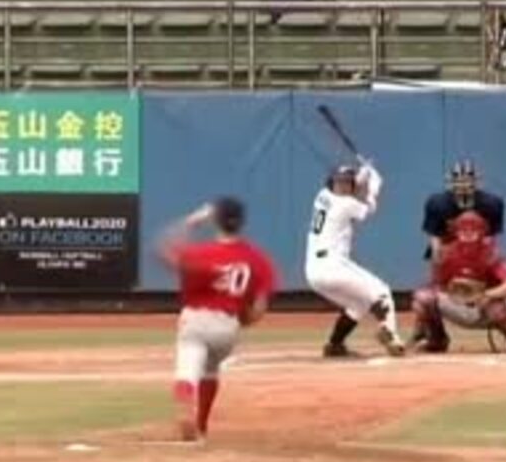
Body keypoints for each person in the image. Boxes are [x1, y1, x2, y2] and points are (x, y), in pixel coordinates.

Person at [157, 196, 279, 443]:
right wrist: (242, 322)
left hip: (197, 320)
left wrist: (192, 221)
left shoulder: (202, 253)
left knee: (187, 369)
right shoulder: (257, 258)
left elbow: (165, 249)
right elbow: (259, 307)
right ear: (241, 222)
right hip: (228, 326)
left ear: (216, 221)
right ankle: (201, 425)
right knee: (210, 371)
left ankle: (186, 409)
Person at [305, 161, 406, 358]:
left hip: (314, 272)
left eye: (346, 182)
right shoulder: (347, 205)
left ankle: (335, 345)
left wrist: (363, 173)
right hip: (332, 265)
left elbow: (352, 190)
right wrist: (374, 186)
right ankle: (391, 335)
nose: (343, 186)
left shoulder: (322, 196)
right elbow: (368, 208)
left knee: (358, 304)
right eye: (339, 182)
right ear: (332, 182)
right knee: (382, 292)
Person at [409, 210, 506, 353]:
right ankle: (436, 340)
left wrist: (487, 294)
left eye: (473, 229)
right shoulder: (446, 254)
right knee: (422, 298)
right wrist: (456, 294)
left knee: (500, 305)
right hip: (456, 304)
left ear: (482, 232)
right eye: (464, 229)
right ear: (456, 232)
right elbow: (435, 286)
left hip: (485, 309)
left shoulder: (491, 254)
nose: (468, 234)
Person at [422, 159, 505, 262]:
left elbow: (491, 237)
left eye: (467, 181)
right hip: (448, 245)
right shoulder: (438, 204)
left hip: (478, 246)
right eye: (459, 181)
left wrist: (491, 253)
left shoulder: (491, 204)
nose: (464, 186)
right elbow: (435, 236)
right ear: (451, 182)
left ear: (477, 181)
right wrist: (437, 255)